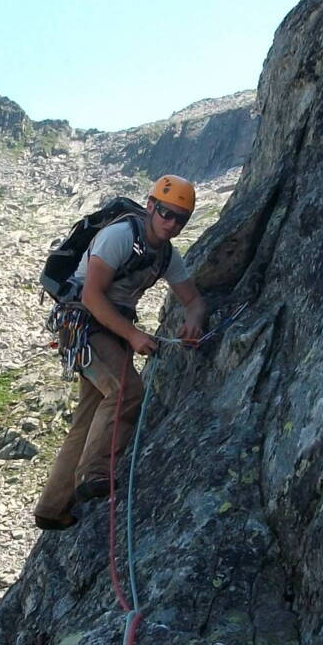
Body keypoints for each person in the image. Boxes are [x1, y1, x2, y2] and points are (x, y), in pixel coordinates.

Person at [34, 175, 207, 530]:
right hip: (85, 323)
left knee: (89, 415)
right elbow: (92, 297)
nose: (170, 223)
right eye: (165, 213)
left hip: (109, 331)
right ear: (150, 206)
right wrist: (133, 335)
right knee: (126, 390)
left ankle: (52, 508)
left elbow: (194, 300)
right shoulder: (119, 237)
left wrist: (194, 321)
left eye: (179, 218)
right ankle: (95, 474)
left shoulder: (166, 255)